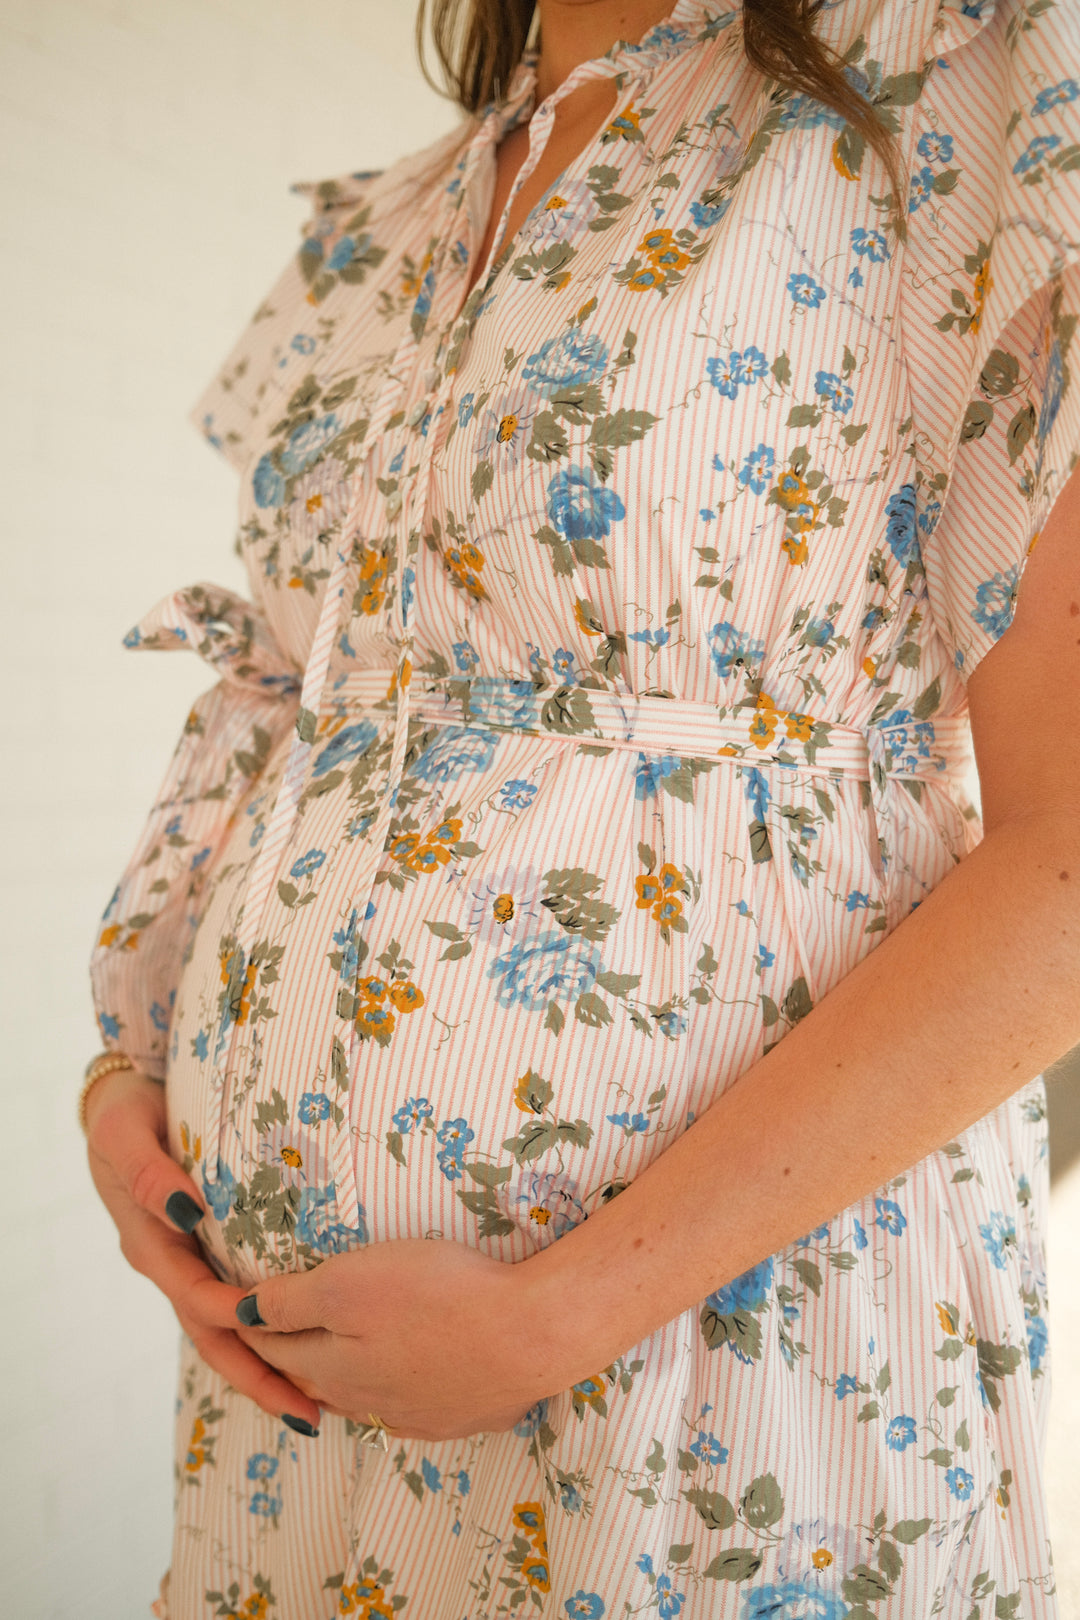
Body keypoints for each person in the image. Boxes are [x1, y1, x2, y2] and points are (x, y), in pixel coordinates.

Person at [82, 0, 1080, 1614]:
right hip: (292, 1403)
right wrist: (126, 1080)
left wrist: (560, 1315)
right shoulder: (396, 223)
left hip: (716, 1351)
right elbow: (280, 695)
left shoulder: (965, 87)